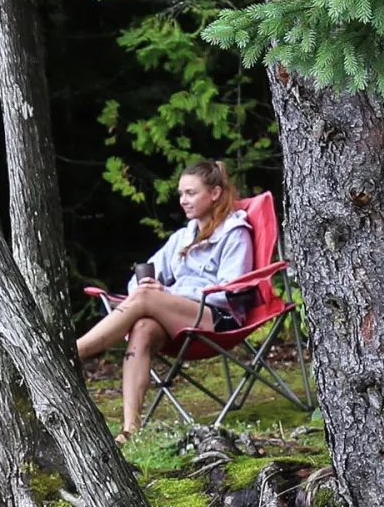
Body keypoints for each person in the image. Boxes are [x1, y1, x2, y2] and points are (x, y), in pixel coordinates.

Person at [74, 160, 252, 433]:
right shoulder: (183, 237)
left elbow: (232, 291)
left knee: (146, 297)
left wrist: (166, 294)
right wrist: (145, 286)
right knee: (143, 327)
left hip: (219, 317)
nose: (183, 201)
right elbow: (142, 276)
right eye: (181, 194)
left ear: (215, 193)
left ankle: (73, 352)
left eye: (191, 193)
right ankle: (130, 430)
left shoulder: (235, 234)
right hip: (182, 318)